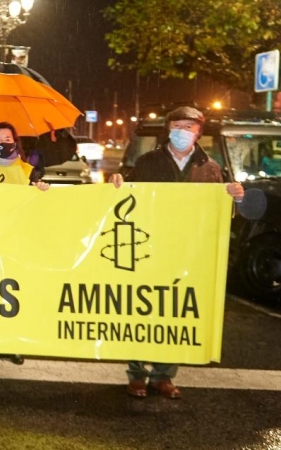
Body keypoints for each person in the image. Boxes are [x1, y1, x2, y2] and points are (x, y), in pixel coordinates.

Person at [109, 106, 244, 400]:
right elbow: (124, 196)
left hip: (187, 252)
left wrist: (233, 198)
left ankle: (163, 375)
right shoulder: (148, 162)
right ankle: (136, 374)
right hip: (148, 248)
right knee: (141, 310)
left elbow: (219, 212)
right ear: (168, 129)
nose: (182, 131)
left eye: (189, 126)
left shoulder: (210, 168)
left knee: (176, 312)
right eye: (177, 125)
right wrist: (116, 184)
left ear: (198, 131)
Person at [0, 122, 48, 369]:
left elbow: (39, 198)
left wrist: (40, 188)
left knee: (12, 294)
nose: (3, 142)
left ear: (15, 141)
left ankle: (11, 343)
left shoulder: (27, 170)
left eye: (7, 138)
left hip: (16, 240)